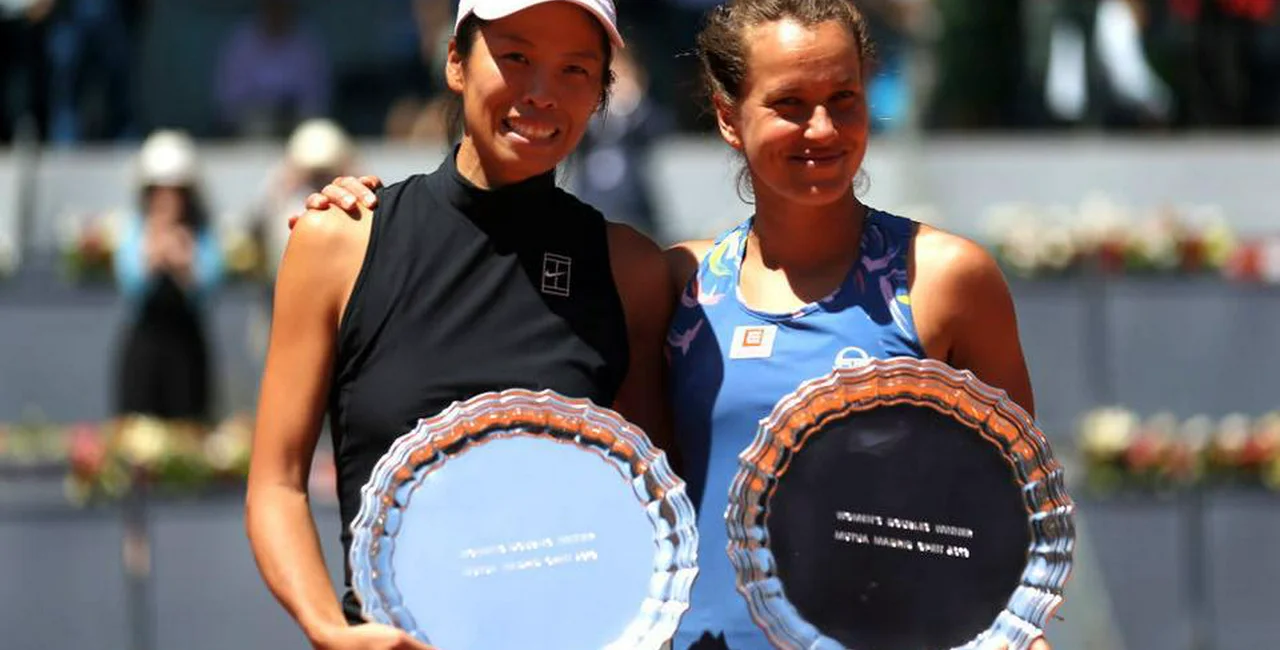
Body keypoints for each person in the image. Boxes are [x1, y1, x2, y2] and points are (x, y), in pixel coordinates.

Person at [305, 1, 1048, 647]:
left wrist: (1018, 632)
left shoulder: (948, 279)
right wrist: (363, 210)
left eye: (844, 99)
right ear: (728, 116)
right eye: (790, 103)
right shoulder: (680, 282)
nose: (821, 128)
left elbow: (1015, 512)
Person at [244, 1, 672, 649]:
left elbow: (648, 510)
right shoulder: (340, 242)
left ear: (602, 94)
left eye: (575, 70)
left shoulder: (631, 271)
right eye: (516, 58)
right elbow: (276, 484)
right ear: (455, 63)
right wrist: (328, 629)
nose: (541, 93)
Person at [113, 129, 223, 423]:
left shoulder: (199, 231)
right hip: (145, 343)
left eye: (175, 191)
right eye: (158, 191)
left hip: (186, 347)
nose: (166, 199)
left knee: (189, 423)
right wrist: (153, 253)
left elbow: (210, 282)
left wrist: (184, 262)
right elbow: (129, 281)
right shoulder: (136, 229)